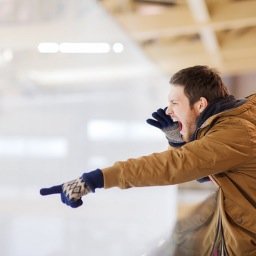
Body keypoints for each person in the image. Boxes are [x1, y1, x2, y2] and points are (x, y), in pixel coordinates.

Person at [40, 65, 256, 256]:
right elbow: (202, 171)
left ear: (200, 105)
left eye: (174, 103)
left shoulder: (234, 133)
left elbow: (172, 166)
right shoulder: (240, 118)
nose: (169, 110)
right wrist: (177, 141)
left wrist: (95, 179)